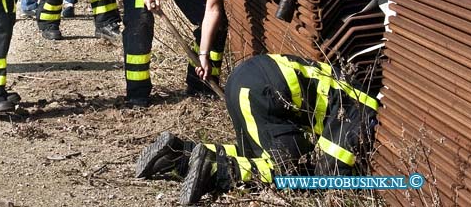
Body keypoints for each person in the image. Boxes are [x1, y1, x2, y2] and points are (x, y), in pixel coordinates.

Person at [135, 54, 379, 204]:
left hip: (245, 78)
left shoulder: (349, 90)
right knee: (289, 170)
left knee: (253, 156)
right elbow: (331, 175)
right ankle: (215, 169)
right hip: (264, 90)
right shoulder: (361, 115)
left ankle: (179, 153)